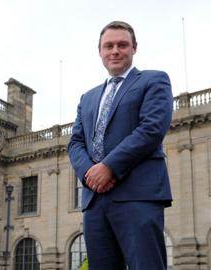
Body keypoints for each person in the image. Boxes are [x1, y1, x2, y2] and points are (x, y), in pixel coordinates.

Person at [67, 21, 173, 269]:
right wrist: (89, 174)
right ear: (100, 51)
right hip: (95, 200)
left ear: (134, 48)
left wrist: (109, 167)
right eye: (109, 46)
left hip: (138, 195)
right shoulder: (88, 97)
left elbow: (152, 129)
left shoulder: (154, 80)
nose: (115, 50)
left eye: (122, 45)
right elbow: (75, 142)